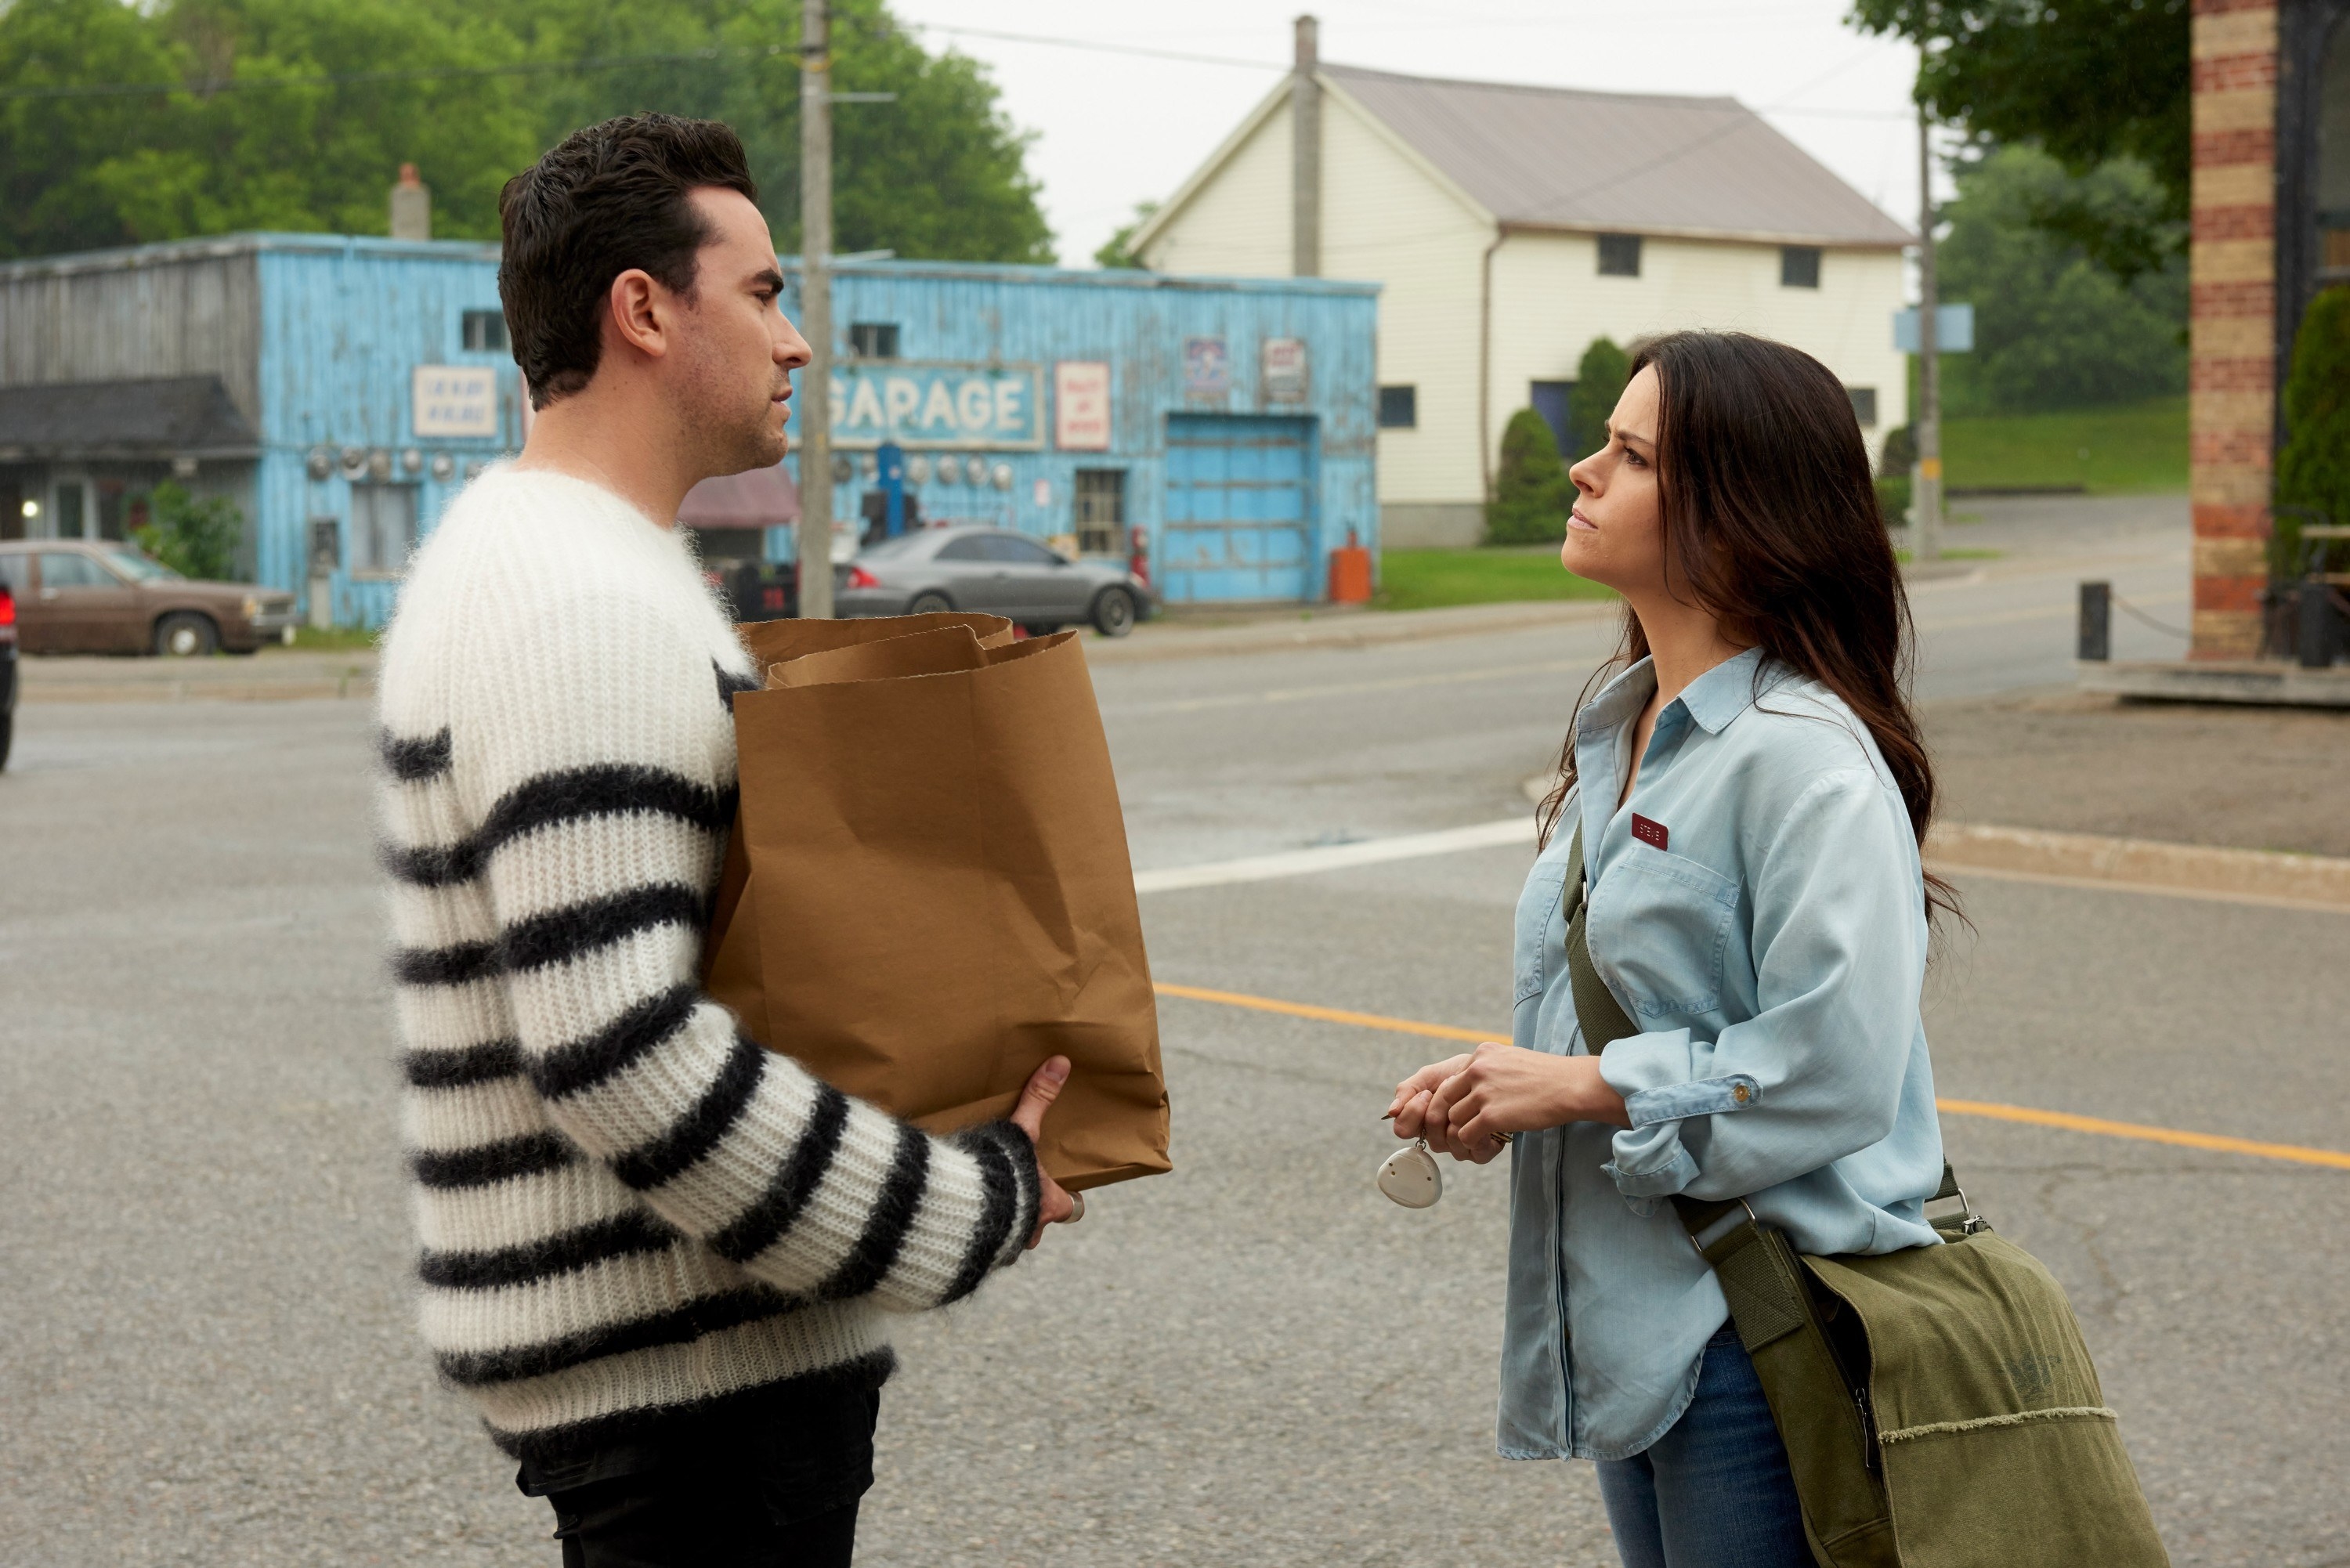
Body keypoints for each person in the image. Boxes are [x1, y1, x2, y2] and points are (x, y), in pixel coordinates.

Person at [374, 114, 1075, 1566]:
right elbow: (621, 1049)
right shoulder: (582, 605)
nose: (798, 340)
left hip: (673, 1387)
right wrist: (965, 1204)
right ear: (643, 309)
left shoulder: (556, 559)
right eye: (762, 294)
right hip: (691, 1407)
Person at [1387, 331, 1954, 1568]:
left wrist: (1588, 1086)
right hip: (1636, 1321)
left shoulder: (1802, 755)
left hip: (1761, 1330)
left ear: (1734, 510)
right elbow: (1641, 1003)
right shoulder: (1627, 726)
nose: (1584, 470)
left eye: (1631, 454)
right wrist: (1513, 1089)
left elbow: (1839, 1065)